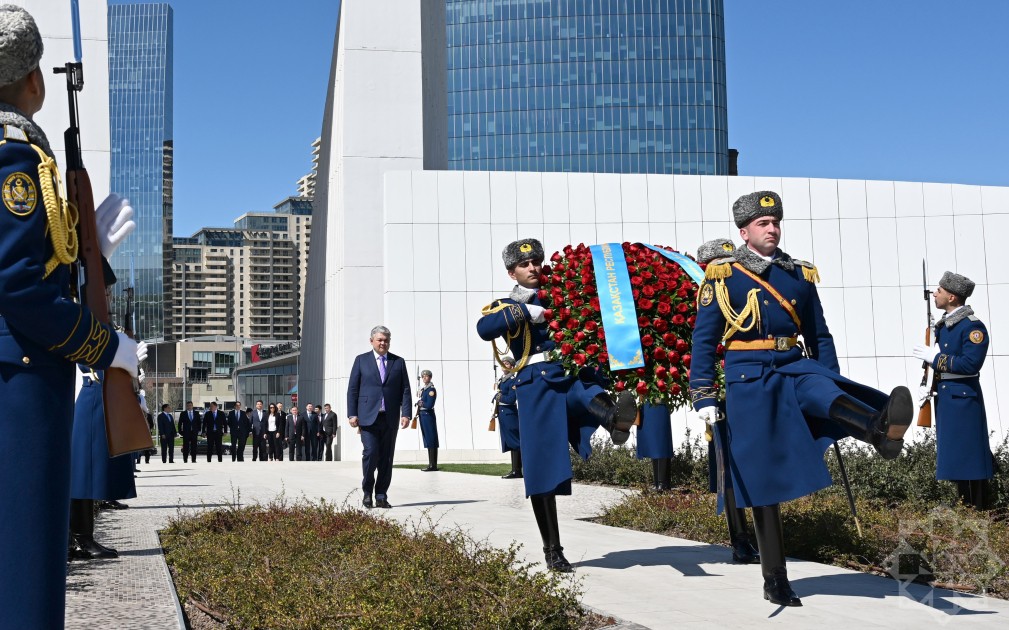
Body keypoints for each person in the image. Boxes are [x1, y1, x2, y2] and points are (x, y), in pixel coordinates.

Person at [690, 191, 915, 606]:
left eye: (775, 222)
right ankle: (774, 577)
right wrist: (702, 393)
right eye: (763, 223)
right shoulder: (724, 275)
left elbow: (819, 333)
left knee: (823, 390)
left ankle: (877, 429)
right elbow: (703, 339)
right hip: (749, 376)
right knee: (762, 479)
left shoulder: (799, 274)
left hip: (794, 363)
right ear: (744, 231)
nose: (772, 228)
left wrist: (829, 375)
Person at [0, 7, 141, 627]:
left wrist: (88, 256)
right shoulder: (15, 159)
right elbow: (19, 288)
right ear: (32, 79)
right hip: (21, 383)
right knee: (27, 556)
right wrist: (103, 344)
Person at [476, 239, 637, 572]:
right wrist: (524, 310)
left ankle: (615, 421)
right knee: (542, 469)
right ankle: (553, 550)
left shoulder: (562, 294)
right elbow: (484, 328)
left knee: (585, 389)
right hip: (535, 382)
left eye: (536, 261)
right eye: (525, 264)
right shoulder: (505, 305)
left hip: (569, 370)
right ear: (512, 271)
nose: (533, 267)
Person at [695, 238, 759, 565]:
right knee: (728, 468)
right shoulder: (706, 293)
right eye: (721, 264)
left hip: (750, 386)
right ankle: (741, 540)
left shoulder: (746, 290)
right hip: (720, 392)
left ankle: (757, 536)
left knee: (755, 461)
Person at [913, 271, 993, 509]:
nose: (934, 294)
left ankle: (978, 510)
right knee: (957, 458)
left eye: (939, 290)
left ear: (952, 298)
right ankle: (965, 507)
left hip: (963, 400)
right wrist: (926, 385)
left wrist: (935, 358)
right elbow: (934, 362)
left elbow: (970, 364)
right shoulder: (944, 327)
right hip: (947, 398)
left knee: (971, 458)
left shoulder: (972, 327)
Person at [347, 325, 412, 509]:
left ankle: (381, 495)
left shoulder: (398, 362)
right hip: (367, 417)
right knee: (370, 453)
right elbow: (353, 389)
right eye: (380, 340)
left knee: (386, 458)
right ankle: (367, 491)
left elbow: (405, 390)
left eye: (386, 340)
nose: (383, 343)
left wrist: (406, 413)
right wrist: (352, 413)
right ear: (372, 341)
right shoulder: (361, 360)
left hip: (390, 418)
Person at [493, 356, 522, 479]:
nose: (504, 365)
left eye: (507, 363)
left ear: (511, 366)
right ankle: (514, 470)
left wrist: (499, 397)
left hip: (509, 413)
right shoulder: (502, 380)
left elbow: (511, 399)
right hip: (503, 413)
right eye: (502, 363)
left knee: (515, 442)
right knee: (510, 442)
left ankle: (517, 471)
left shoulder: (512, 381)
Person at [416, 369, 439, 471]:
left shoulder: (431, 390)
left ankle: (433, 465)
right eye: (423, 376)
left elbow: (429, 405)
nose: (424, 378)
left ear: (430, 377)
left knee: (431, 439)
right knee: (428, 440)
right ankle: (431, 464)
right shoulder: (424, 390)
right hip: (423, 415)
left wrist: (420, 403)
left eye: (426, 376)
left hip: (427, 415)